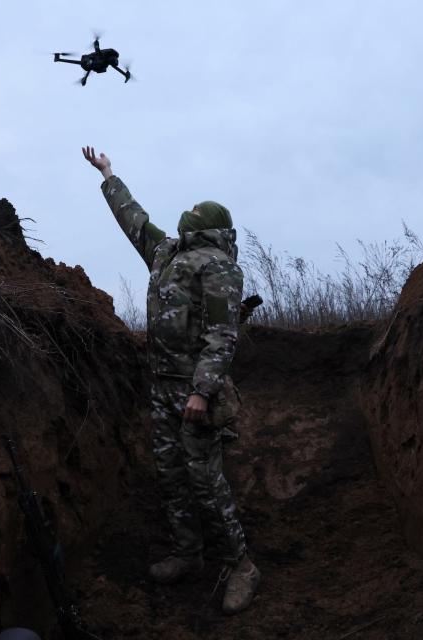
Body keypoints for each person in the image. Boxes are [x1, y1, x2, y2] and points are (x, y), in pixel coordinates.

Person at [82, 146, 260, 614]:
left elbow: (224, 336)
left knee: (206, 479)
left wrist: (202, 391)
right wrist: (108, 175)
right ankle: (188, 553)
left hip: (193, 392)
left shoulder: (219, 266)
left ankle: (241, 565)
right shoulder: (165, 252)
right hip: (161, 388)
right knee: (171, 475)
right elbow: (133, 220)